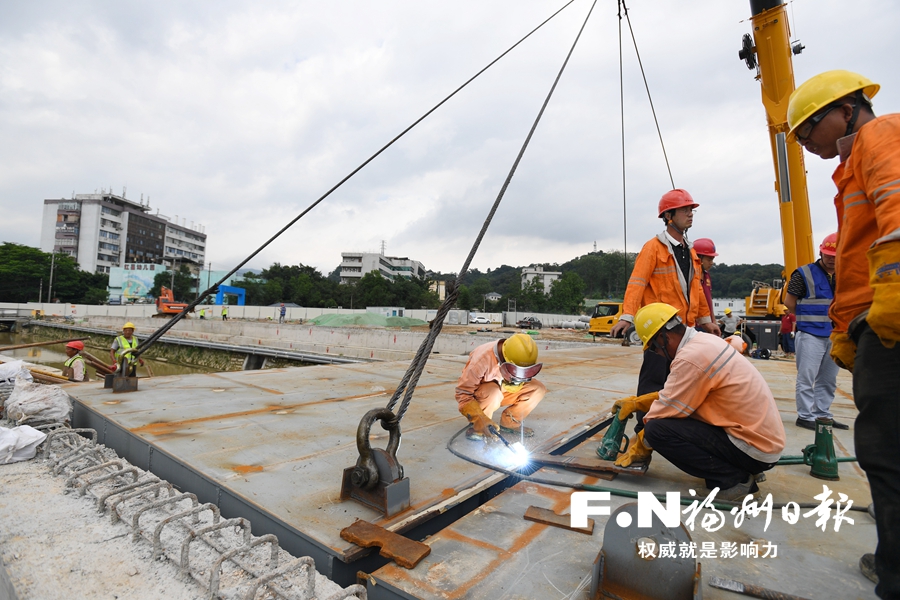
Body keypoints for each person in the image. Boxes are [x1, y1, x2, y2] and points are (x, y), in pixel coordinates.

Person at [787, 69, 900, 595]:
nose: (807, 148)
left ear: (844, 111)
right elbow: (854, 263)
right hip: (870, 325)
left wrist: (893, 300)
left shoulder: (884, 135)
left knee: (887, 449)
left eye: (808, 134)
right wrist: (846, 327)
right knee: (883, 445)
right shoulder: (851, 169)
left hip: (891, 322)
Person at [612, 303, 785, 501]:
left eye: (653, 347)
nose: (657, 354)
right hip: (760, 441)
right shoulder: (704, 342)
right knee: (670, 422)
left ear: (663, 337)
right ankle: (741, 467)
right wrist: (637, 403)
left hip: (753, 450)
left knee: (656, 430)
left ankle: (734, 481)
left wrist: (641, 443)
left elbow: (666, 410)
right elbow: (679, 395)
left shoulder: (690, 358)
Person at [609, 189, 720, 444]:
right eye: (685, 210)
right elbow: (636, 283)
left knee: (681, 385)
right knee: (652, 384)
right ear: (669, 216)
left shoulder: (690, 252)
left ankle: (669, 434)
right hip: (661, 332)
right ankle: (641, 438)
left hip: (685, 332)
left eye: (691, 210)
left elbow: (696, 289)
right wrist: (627, 316)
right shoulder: (654, 248)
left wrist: (706, 321)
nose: (691, 214)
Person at [783, 233, 845, 430]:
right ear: (821, 251)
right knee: (807, 377)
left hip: (834, 334)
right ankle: (805, 415)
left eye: (835, 255)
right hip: (810, 334)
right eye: (828, 254)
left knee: (828, 379)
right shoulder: (803, 274)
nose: (831, 259)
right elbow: (789, 302)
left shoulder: (846, 273)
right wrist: (806, 318)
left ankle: (822, 414)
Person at [455, 333, 546, 441]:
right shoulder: (481, 360)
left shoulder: (515, 353)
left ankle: (510, 423)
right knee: (493, 392)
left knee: (538, 389)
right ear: (504, 360)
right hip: (485, 396)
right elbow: (463, 394)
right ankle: (479, 426)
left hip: (502, 389)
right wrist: (477, 418)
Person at [693, 237, 718, 319]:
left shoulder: (707, 275)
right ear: (698, 258)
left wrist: (713, 320)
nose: (712, 263)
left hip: (707, 322)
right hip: (695, 323)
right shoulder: (690, 276)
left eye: (712, 259)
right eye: (709, 260)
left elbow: (709, 301)